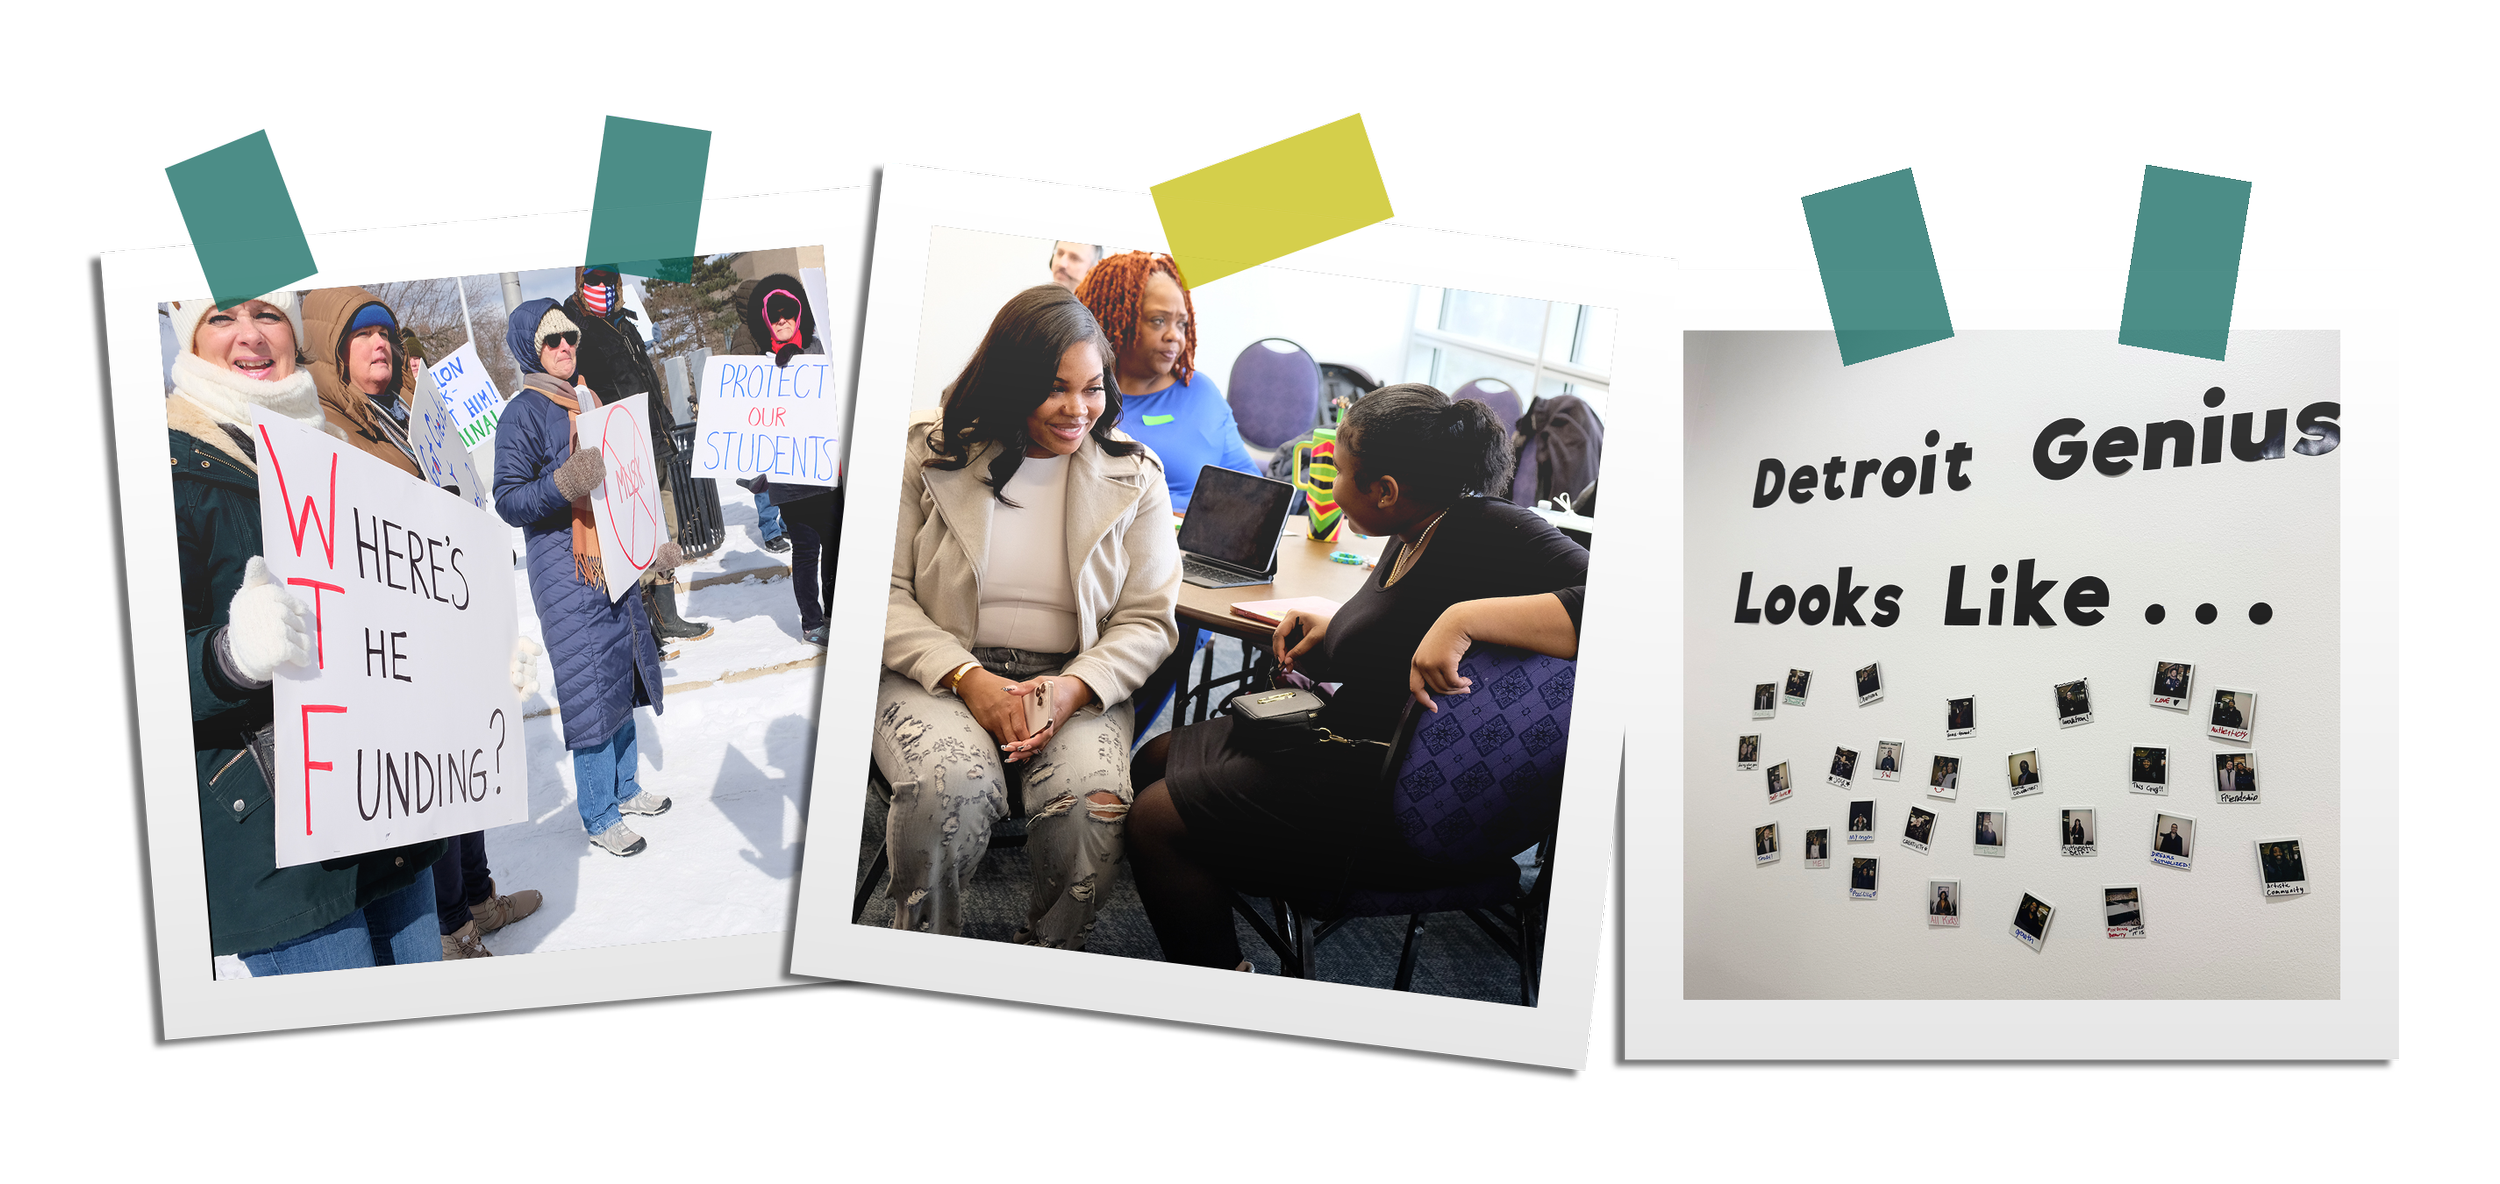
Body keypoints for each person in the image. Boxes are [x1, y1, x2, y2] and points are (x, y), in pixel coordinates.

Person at [1127, 384, 1587, 971]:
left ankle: (1224, 984)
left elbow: (1613, 607)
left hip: (1388, 797)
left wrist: (1464, 619)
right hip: (1346, 745)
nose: (1330, 485)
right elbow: (1403, 626)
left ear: (1385, 491)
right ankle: (1213, 879)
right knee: (1154, 760)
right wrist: (1338, 629)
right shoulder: (1415, 526)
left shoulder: (1490, 528)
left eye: (1340, 471)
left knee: (1156, 820)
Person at [875, 285, 1180, 946]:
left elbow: (1149, 619)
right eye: (1054, 389)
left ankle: (1046, 957)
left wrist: (1074, 687)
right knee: (949, 785)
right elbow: (881, 594)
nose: (1078, 410)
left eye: (1092, 389)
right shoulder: (925, 452)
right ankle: (915, 953)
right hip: (938, 671)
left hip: (1073, 677)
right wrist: (968, 678)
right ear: (1009, 383)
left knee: (1095, 805)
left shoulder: (1137, 474)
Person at [165, 291, 447, 972]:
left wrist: (470, 650)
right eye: (221, 317)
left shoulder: (332, 449)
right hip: (278, 841)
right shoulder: (169, 467)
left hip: (384, 802)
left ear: (293, 332)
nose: (250, 336)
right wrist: (229, 656)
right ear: (190, 337)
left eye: (267, 315)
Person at [304, 287, 542, 955]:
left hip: (449, 627)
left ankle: (478, 897)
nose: (380, 343)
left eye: (386, 332)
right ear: (333, 352)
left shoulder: (403, 413)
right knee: (431, 790)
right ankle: (451, 928)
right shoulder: (326, 427)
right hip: (396, 646)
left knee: (465, 772)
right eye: (363, 334)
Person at [493, 298, 678, 857]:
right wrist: (562, 483)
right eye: (551, 340)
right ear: (531, 350)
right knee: (590, 684)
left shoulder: (591, 400)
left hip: (612, 561)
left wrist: (650, 547)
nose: (564, 347)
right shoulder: (522, 412)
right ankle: (599, 813)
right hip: (566, 570)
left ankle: (625, 787)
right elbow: (508, 499)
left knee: (621, 670)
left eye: (569, 337)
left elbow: (624, 486)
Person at [1073, 252, 1258, 738]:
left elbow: (1248, 488)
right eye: (1158, 321)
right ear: (1114, 319)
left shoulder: (1202, 393)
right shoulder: (1081, 398)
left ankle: (1109, 741)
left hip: (1185, 573)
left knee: (1171, 624)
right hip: (1099, 559)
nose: (1174, 335)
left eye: (1182, 323)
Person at [565, 267, 711, 645]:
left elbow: (646, 384)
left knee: (667, 533)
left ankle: (668, 616)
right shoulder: (576, 332)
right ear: (581, 284)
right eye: (593, 280)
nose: (602, 288)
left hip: (653, 442)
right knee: (637, 538)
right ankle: (646, 628)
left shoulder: (626, 325)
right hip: (623, 453)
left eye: (608, 280)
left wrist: (663, 427)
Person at [733, 274, 840, 644]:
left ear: (799, 314)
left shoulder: (821, 349)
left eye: (788, 313)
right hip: (789, 479)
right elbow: (748, 417)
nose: (782, 320)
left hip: (825, 471)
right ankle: (812, 622)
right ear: (766, 320)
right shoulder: (758, 365)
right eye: (774, 315)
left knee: (836, 546)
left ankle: (836, 613)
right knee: (807, 550)